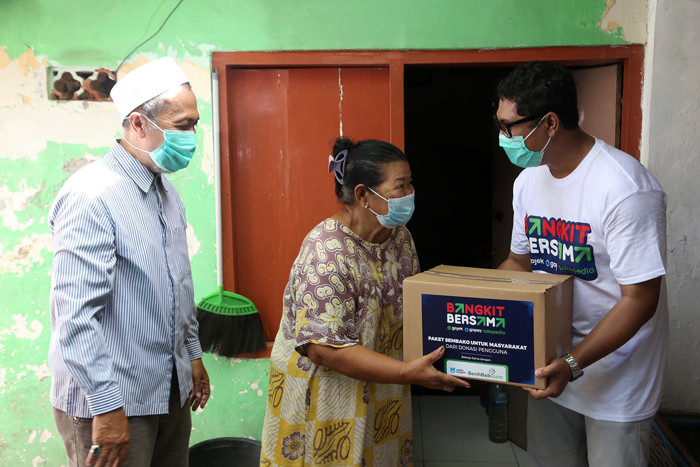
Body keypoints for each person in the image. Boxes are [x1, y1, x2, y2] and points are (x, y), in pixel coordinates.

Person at [494, 61, 668, 466]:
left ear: (549, 123)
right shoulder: (529, 182)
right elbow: (518, 263)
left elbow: (640, 299)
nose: (503, 137)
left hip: (616, 379)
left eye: (509, 127)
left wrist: (573, 364)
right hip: (549, 366)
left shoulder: (625, 188)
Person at [260, 137, 469, 466]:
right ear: (362, 194)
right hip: (329, 394)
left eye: (411, 182)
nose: (410, 193)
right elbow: (322, 348)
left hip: (384, 386)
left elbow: (409, 308)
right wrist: (405, 372)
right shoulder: (326, 251)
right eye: (400, 186)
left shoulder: (400, 238)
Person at [49, 57, 210, 467]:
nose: (193, 136)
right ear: (138, 124)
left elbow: (179, 285)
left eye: (195, 124)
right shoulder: (92, 195)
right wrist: (106, 407)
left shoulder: (166, 194)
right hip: (112, 401)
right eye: (183, 125)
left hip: (167, 388)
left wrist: (192, 357)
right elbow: (75, 316)